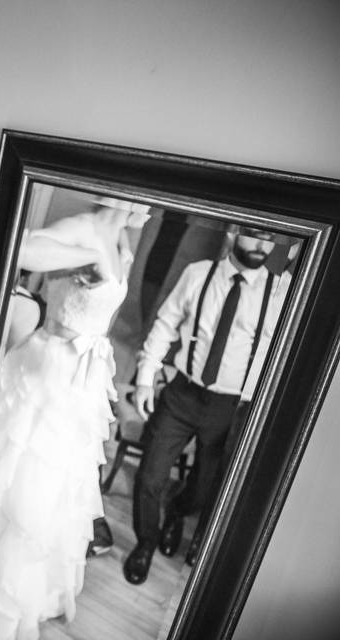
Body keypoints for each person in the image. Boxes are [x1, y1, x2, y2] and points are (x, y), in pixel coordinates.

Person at [0, 197, 150, 640]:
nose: (151, 208)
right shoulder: (86, 229)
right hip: (48, 371)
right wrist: (88, 256)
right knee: (21, 489)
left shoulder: (124, 240)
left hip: (82, 380)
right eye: (146, 199)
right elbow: (20, 250)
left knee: (57, 493)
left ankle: (24, 598)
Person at [123, 227, 290, 585]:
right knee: (150, 476)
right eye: (254, 234)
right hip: (182, 394)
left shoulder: (281, 291)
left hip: (231, 407)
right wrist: (144, 379)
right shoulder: (198, 274)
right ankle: (145, 543)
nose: (262, 244)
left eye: (269, 238)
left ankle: (177, 513)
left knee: (202, 491)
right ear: (233, 232)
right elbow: (165, 324)